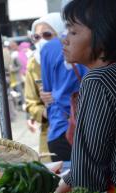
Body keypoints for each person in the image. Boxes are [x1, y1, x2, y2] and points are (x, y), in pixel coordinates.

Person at [53, 0, 116, 193]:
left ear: (102, 34)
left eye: (73, 32)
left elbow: (88, 171)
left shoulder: (97, 80)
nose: (65, 40)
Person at [40, 12, 87, 162]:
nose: (65, 41)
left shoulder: (48, 49)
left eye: (47, 34)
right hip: (85, 127)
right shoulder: (94, 47)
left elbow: (47, 90)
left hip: (61, 126)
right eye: (35, 37)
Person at [24, 13, 65, 162]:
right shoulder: (33, 64)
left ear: (61, 33)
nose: (41, 41)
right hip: (51, 132)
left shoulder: (74, 60)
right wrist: (46, 112)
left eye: (47, 35)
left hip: (81, 128)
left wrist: (60, 96)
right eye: (36, 37)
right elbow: (31, 103)